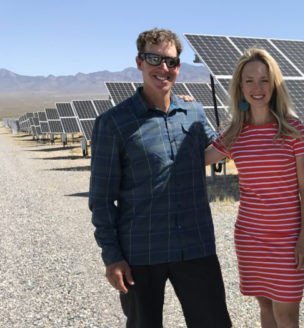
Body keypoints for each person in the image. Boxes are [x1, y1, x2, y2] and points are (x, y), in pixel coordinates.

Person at [89, 28, 231, 328]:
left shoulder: (193, 112)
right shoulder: (113, 123)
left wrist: (252, 110)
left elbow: (218, 149)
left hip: (195, 245)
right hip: (142, 251)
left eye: (171, 61)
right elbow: (101, 200)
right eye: (154, 59)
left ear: (178, 66)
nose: (163, 68)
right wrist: (112, 257)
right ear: (139, 62)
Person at [205, 48, 304, 328]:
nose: (257, 87)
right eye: (249, 80)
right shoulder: (235, 134)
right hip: (250, 237)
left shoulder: (293, 130)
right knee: (265, 306)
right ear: (240, 87)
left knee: (286, 313)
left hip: (289, 239)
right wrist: (187, 111)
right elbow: (199, 159)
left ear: (275, 84)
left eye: (264, 80)